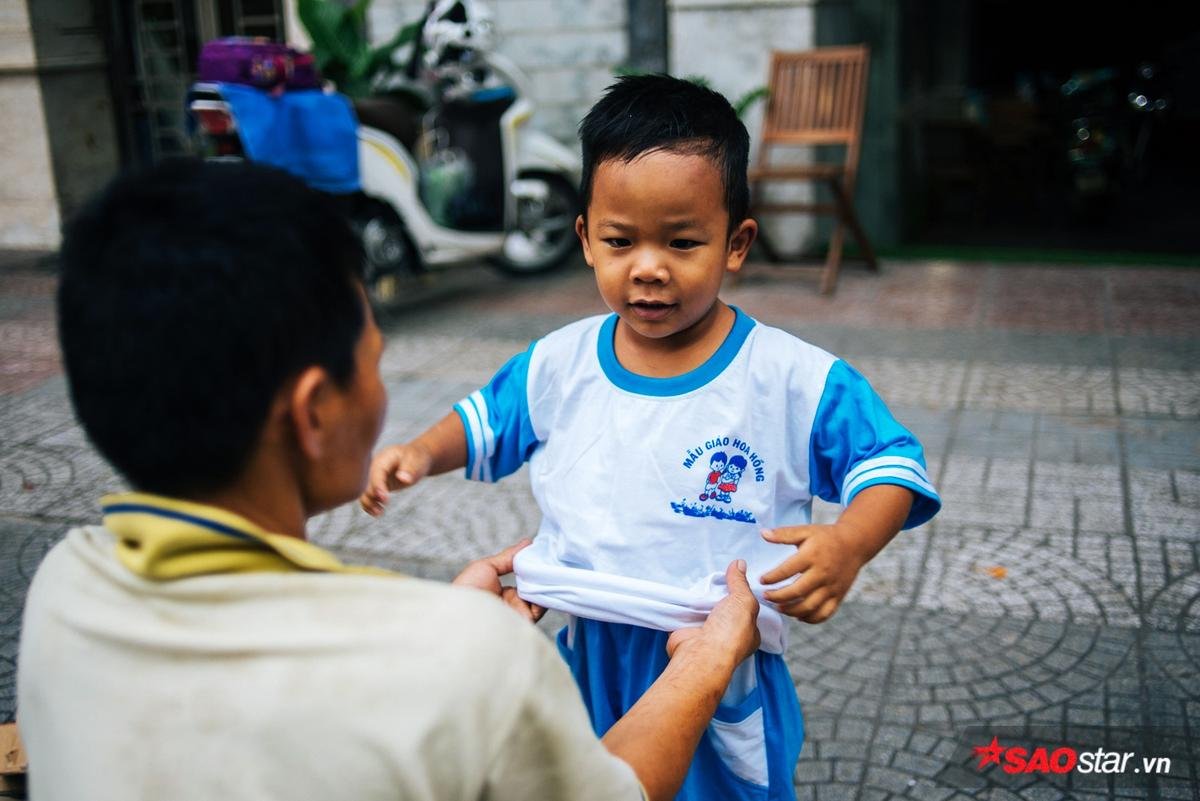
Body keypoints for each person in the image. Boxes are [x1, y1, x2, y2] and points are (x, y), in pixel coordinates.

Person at [15, 158, 763, 801]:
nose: (381, 391)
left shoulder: (63, 586)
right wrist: (704, 665)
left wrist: (456, 638)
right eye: (373, 361)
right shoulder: (470, 663)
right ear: (313, 412)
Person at [361, 75, 942, 801]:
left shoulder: (788, 376)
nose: (648, 267)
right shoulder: (560, 361)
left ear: (736, 244)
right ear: (584, 238)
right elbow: (488, 419)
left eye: (682, 241)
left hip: (715, 656)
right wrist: (421, 452)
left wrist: (852, 541)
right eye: (620, 240)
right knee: (591, 783)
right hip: (585, 643)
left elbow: (890, 459)